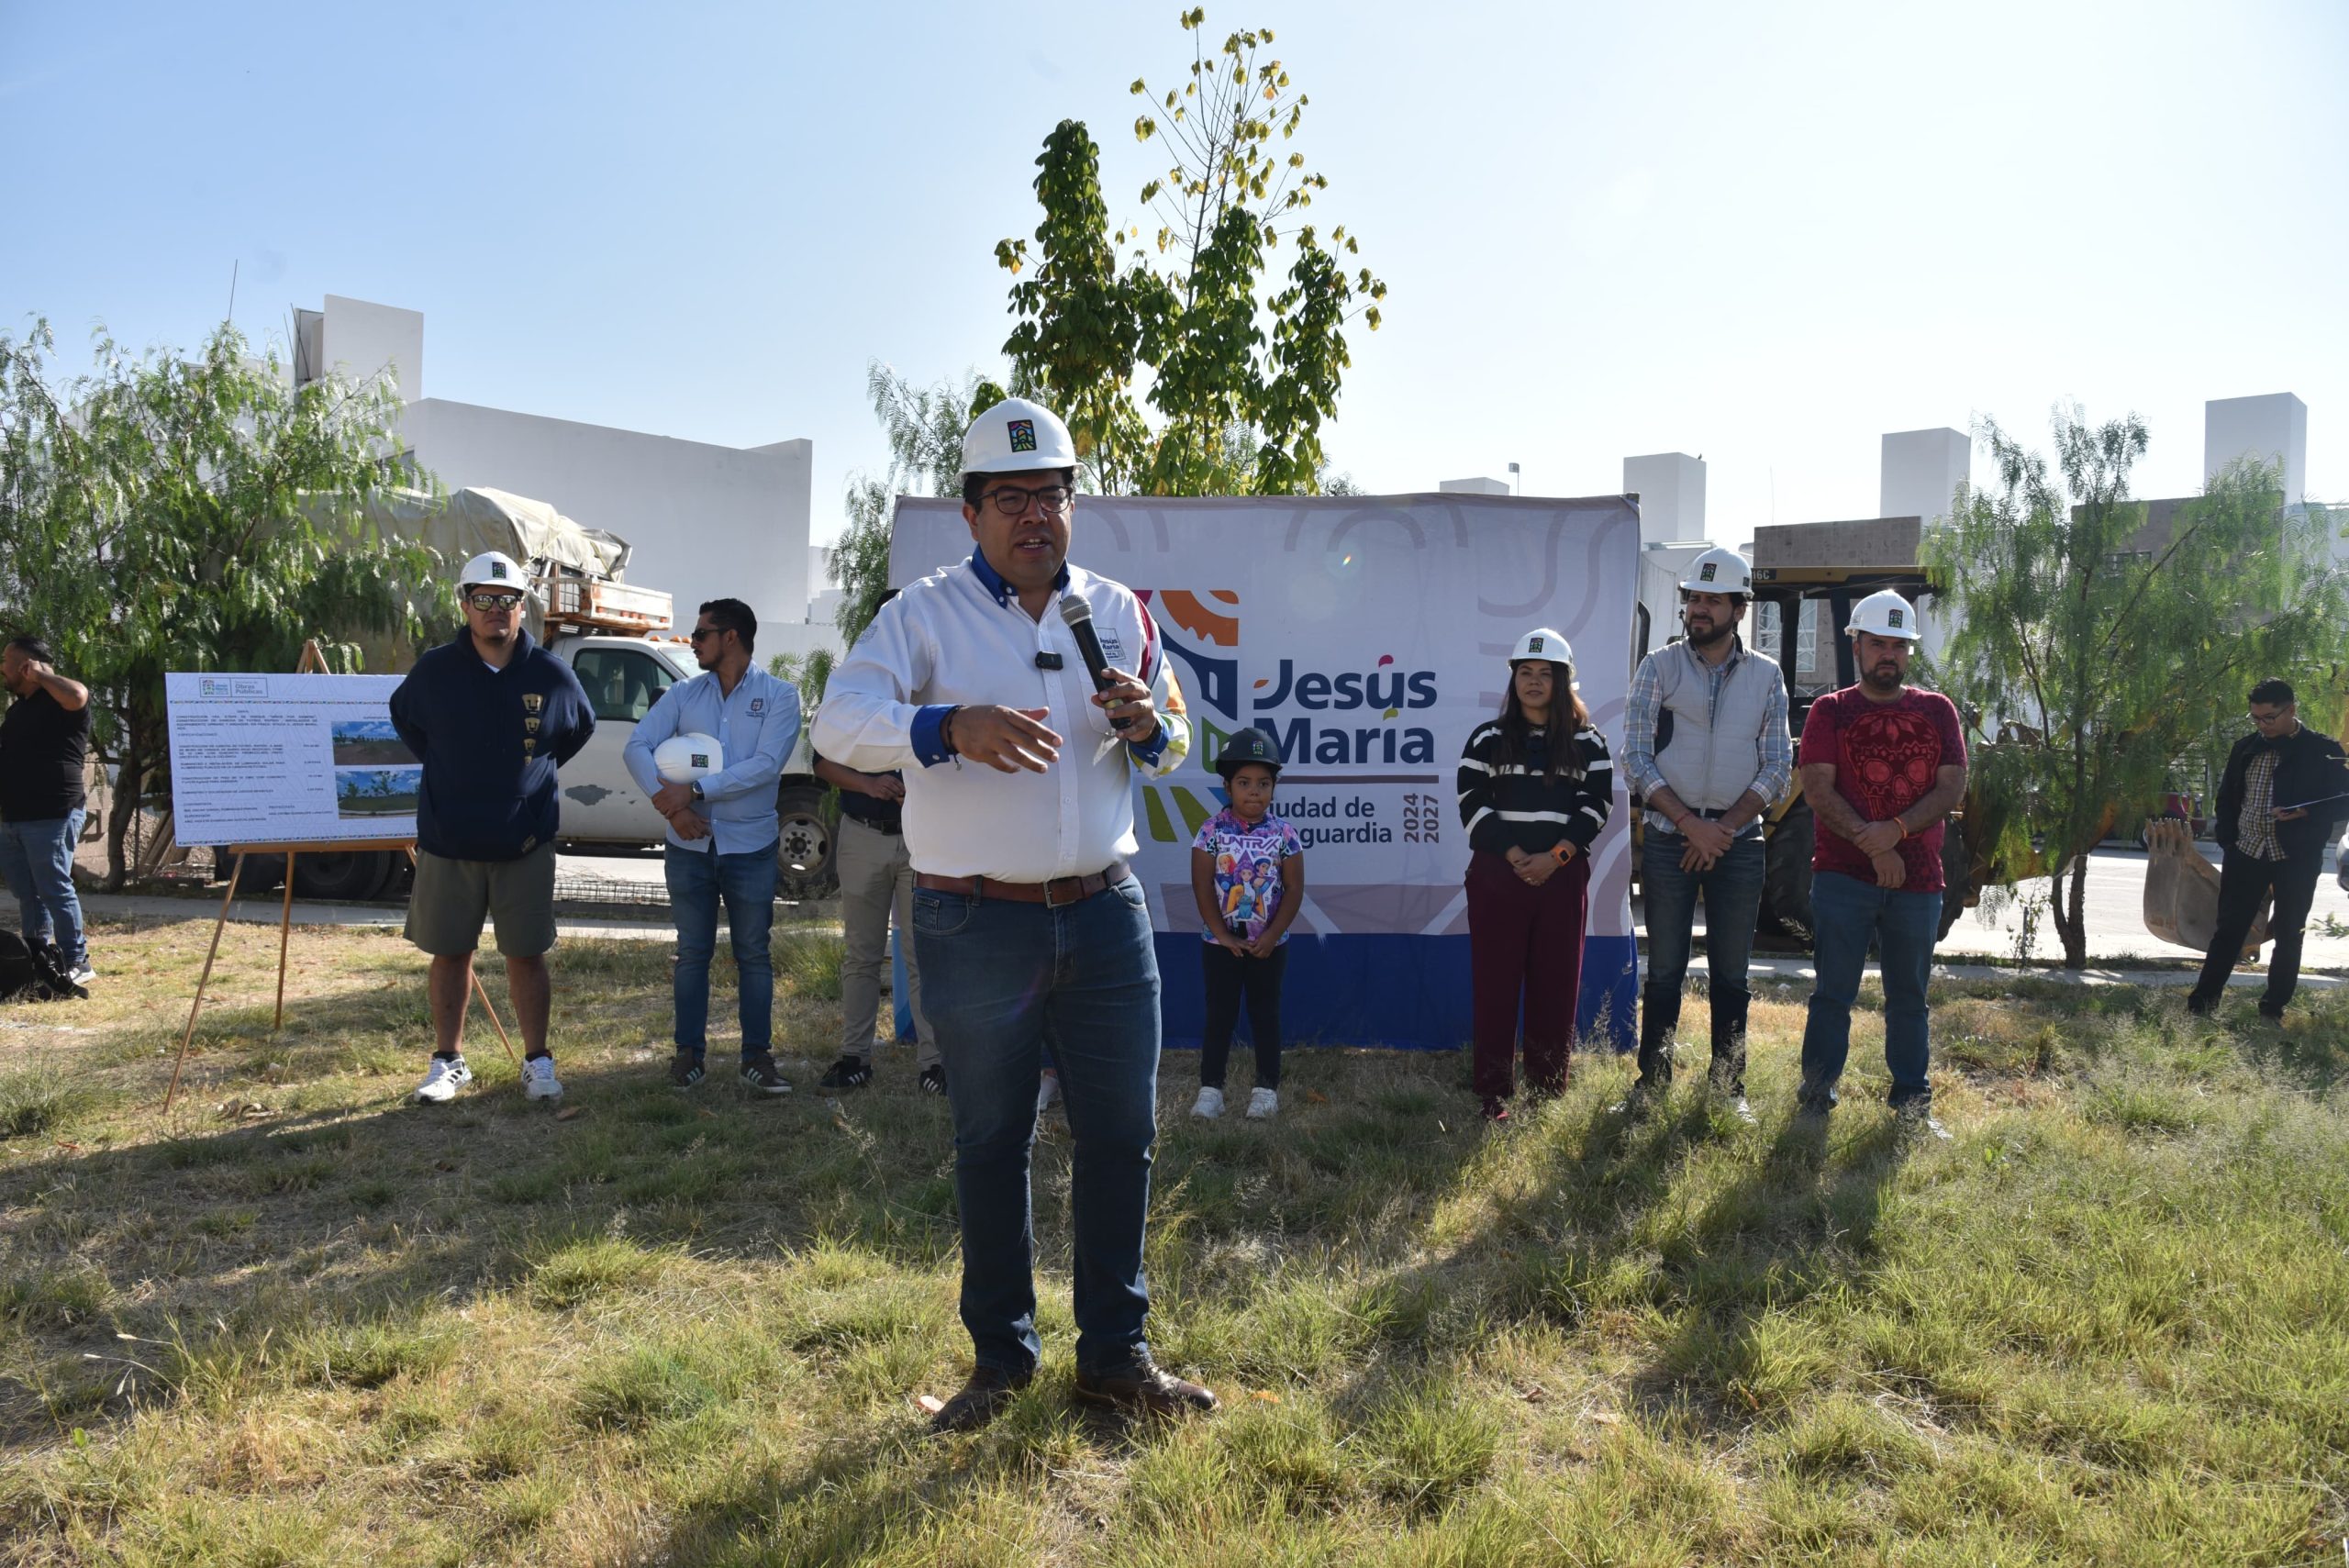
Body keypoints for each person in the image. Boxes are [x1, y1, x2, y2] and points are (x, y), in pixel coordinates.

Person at [814, 395, 1217, 1432]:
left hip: (1103, 913)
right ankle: (1000, 1362)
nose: (1035, 515)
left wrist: (1148, 725)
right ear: (971, 511)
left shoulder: (1117, 609)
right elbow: (840, 723)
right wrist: (949, 725)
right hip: (971, 920)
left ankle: (1116, 1357)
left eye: (1052, 493)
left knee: (1122, 1134)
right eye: (1011, 497)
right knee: (991, 1138)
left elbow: (1175, 738)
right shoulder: (923, 614)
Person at [388, 552, 596, 1105]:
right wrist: (452, 773)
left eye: (507, 600)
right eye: (483, 599)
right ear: (464, 604)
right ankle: (448, 1063)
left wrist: (530, 781)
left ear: (522, 608)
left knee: (526, 953)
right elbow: (406, 719)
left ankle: (537, 1062)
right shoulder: (435, 670)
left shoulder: (551, 674)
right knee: (450, 953)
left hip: (523, 844)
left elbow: (577, 731)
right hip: (449, 842)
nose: (495, 611)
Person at [1619, 547, 1792, 1124]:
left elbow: (1776, 768)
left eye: (1713, 600)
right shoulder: (1658, 668)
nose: (1699, 608)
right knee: (1665, 969)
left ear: (1739, 609)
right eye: (1694, 597)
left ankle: (1728, 1088)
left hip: (1739, 845)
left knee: (1731, 973)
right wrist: (1694, 825)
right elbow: (1636, 757)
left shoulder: (1767, 676)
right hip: (1671, 838)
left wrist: (1723, 829)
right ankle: (1653, 1083)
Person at [1794, 590, 1966, 1136]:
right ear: (1857, 646)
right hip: (1843, 879)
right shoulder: (1831, 711)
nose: (1887, 654)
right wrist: (1877, 848)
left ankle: (1913, 1102)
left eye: (1897, 644)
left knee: (1910, 998)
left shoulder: (1937, 711)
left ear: (1909, 651)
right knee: (1832, 994)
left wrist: (1893, 832)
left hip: (1918, 882)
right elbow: (1817, 789)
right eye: (1876, 643)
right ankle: (1816, 1097)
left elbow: (1953, 786)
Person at [622, 598, 801, 1093]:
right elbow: (635, 746)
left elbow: (767, 765)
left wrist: (697, 791)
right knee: (692, 952)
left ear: (731, 638)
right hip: (689, 845)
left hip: (750, 847)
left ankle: (756, 1059)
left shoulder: (782, 696)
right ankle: (688, 1056)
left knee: (754, 954)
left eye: (702, 634)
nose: (693, 642)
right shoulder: (683, 694)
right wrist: (673, 807)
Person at [1455, 629, 1614, 1123]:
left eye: (1546, 674)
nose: (1534, 681)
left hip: (1561, 878)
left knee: (1556, 983)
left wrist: (1556, 857)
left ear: (1563, 682)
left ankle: (1548, 1089)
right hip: (1498, 876)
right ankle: (1493, 1093)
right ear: (1513, 678)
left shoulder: (1589, 742)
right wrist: (1517, 853)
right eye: (1525, 672)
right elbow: (1472, 803)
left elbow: (1597, 807)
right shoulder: (1486, 738)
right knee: (1495, 985)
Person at [815, 592, 943, 1095]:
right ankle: (854, 1057)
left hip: (923, 840)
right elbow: (822, 761)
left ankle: (935, 1064)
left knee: (922, 956)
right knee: (861, 954)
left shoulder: (936, 681)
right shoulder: (855, 682)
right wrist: (868, 784)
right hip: (864, 835)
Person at [2186, 678, 2349, 1021]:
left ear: (2291, 709)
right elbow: (2228, 798)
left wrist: (2306, 812)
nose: (2262, 725)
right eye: (2256, 718)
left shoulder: (2324, 749)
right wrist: (2228, 840)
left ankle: (2272, 1009)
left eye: (2269, 718)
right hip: (2245, 852)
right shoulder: (2245, 747)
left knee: (2289, 933)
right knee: (2229, 931)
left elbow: (2343, 801)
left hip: (2296, 857)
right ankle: (2202, 1004)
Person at [1187, 727, 1305, 1121]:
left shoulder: (1285, 834)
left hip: (1269, 946)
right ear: (1226, 786)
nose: (1254, 791)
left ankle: (1266, 1089)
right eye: (1244, 783)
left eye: (1263, 783)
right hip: (1220, 945)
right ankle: (1211, 1090)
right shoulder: (1211, 831)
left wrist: (1271, 936)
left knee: (1265, 1012)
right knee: (1219, 1013)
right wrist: (1220, 933)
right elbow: (1202, 884)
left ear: (1273, 787)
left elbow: (1293, 888)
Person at [0, 636, 95, 986]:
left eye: (6, 660)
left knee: (54, 888)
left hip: (53, 812)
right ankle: (38, 959)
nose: (1, 667)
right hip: (15, 817)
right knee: (28, 892)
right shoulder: (18, 709)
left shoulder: (62, 699)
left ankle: (77, 960)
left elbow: (78, 695)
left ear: (27, 665)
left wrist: (42, 676)